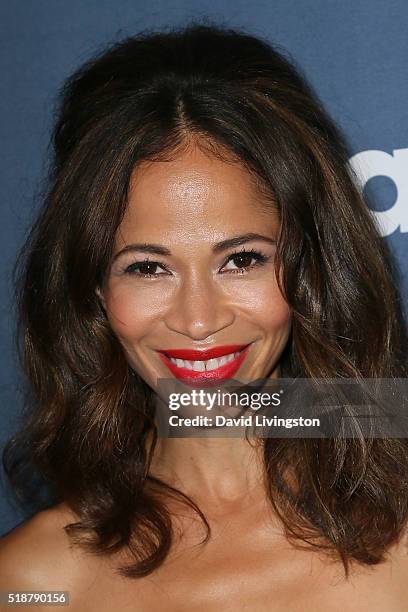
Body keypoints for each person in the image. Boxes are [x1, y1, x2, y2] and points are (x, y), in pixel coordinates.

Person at [1, 22, 408, 611]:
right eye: (147, 268)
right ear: (91, 290)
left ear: (311, 267)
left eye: (241, 260)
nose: (198, 320)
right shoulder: (34, 583)